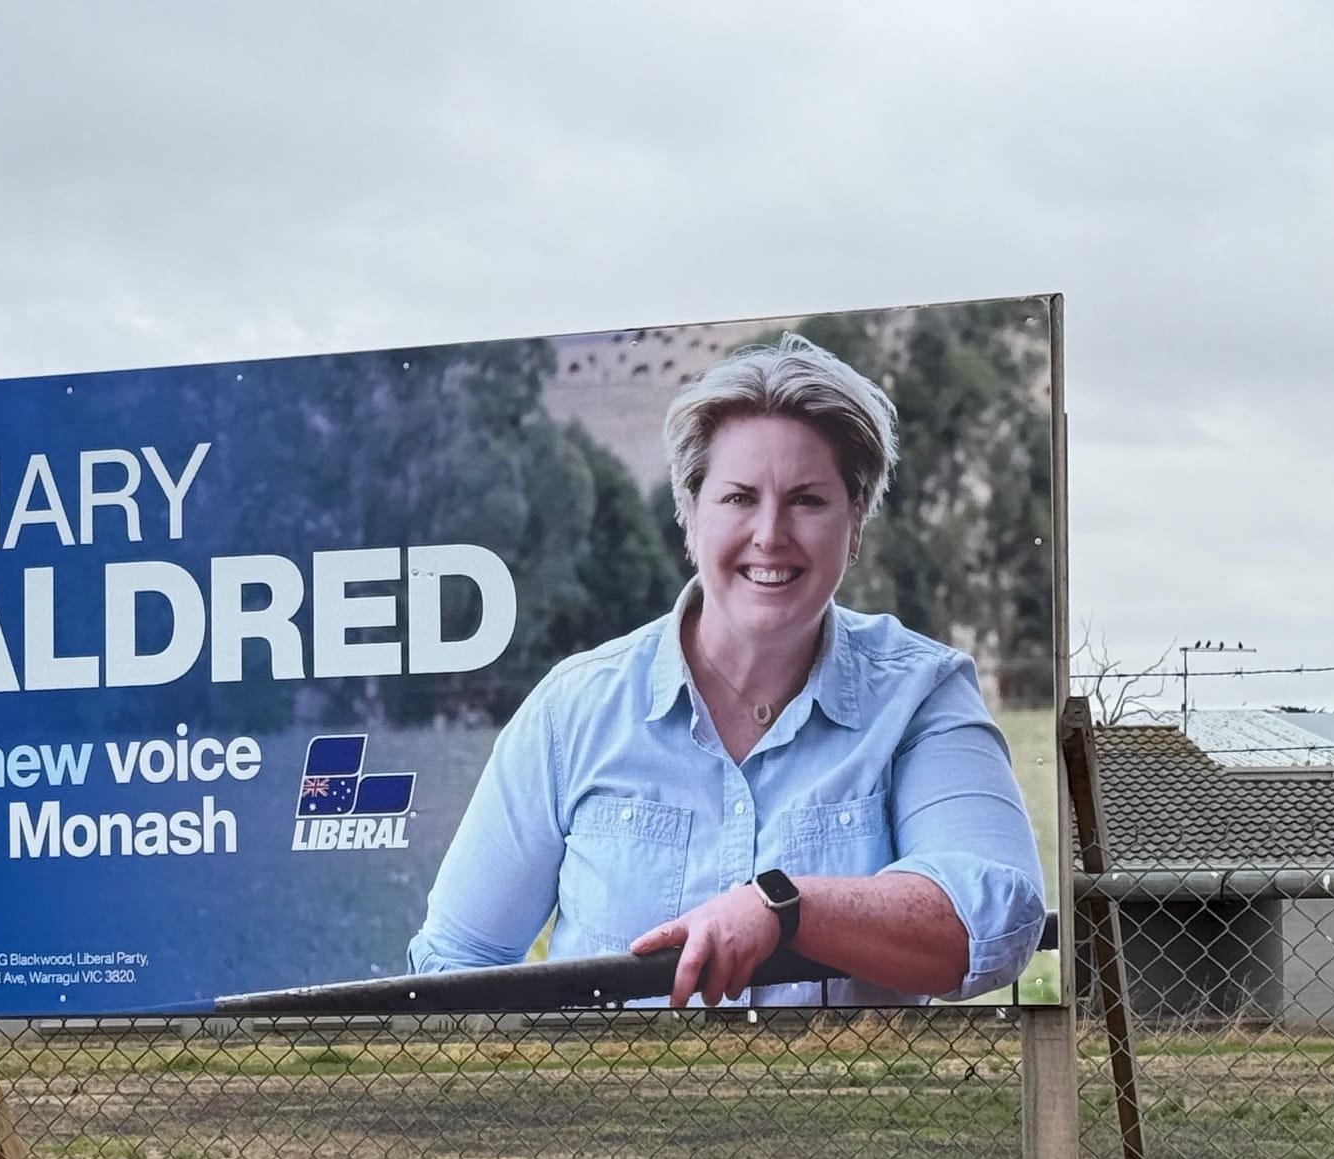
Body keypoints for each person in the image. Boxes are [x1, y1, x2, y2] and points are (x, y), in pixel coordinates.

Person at [407, 332, 1046, 1008]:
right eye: (739, 497)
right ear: (691, 514)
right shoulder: (574, 711)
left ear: (855, 521)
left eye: (807, 500)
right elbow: (458, 960)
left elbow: (994, 915)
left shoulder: (921, 696)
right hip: (613, 1110)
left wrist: (783, 909)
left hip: (845, 1111)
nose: (770, 533)